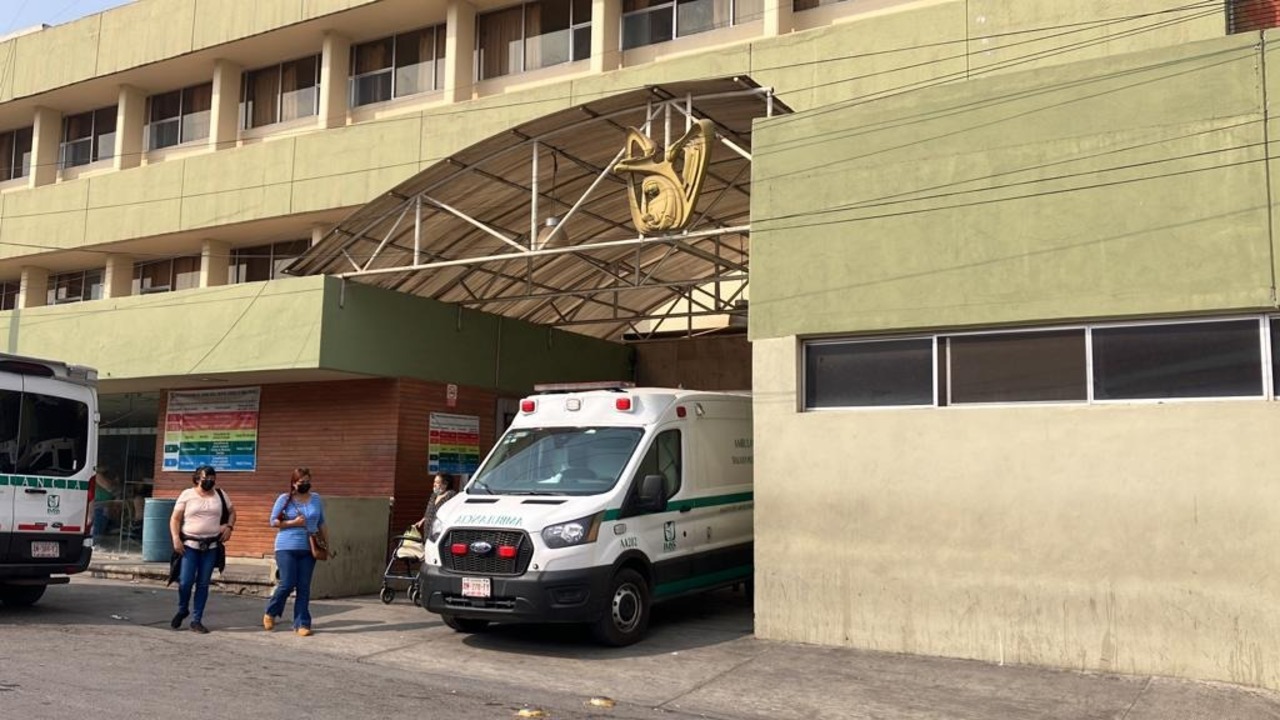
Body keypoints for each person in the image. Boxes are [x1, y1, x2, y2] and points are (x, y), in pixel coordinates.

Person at [169, 465, 236, 634]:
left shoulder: (220, 494)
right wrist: (176, 538)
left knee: (203, 583)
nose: (210, 482)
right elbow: (175, 519)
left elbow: (232, 512)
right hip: (189, 545)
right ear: (198, 478)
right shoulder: (187, 494)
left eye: (213, 479)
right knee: (185, 581)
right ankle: (183, 608)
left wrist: (229, 527)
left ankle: (197, 620)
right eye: (206, 478)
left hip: (211, 546)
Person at [264, 467, 328, 637]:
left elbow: (321, 522)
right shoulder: (285, 499)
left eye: (307, 481)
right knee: (287, 583)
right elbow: (273, 521)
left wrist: (326, 543)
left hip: (309, 547)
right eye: (301, 482)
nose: (305, 484)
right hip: (286, 546)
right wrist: (294, 523)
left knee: (304, 587)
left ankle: (302, 623)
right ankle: (271, 611)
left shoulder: (316, 499)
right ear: (293, 483)